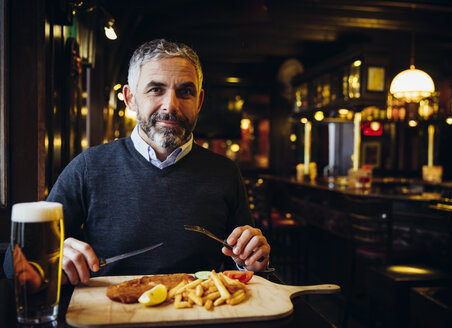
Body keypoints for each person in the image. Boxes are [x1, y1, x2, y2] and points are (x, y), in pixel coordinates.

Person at [3, 39, 270, 285]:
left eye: (185, 92)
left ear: (199, 101)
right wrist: (51, 259)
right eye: (156, 89)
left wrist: (253, 260)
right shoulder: (88, 167)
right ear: (131, 98)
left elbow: (246, 265)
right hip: (110, 316)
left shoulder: (225, 172)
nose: (170, 106)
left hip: (199, 315)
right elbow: (14, 265)